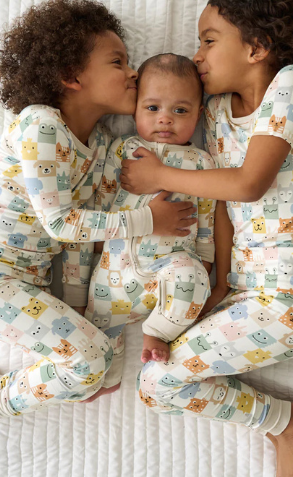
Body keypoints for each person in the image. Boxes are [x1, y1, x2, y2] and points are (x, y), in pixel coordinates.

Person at [0, 0, 196, 427]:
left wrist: (83, 313)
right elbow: (62, 223)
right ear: (71, 76)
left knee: (97, 376)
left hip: (32, 283)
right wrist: (148, 221)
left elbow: (82, 246)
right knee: (91, 364)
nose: (133, 73)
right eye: (118, 62)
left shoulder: (102, 145)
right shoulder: (41, 125)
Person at [120, 0, 293, 477]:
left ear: (256, 47)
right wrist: (221, 282)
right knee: (155, 384)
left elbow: (248, 184)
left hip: (287, 299)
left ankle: (290, 425)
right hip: (241, 291)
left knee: (157, 382)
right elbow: (221, 206)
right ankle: (286, 422)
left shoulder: (291, 83)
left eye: (209, 40)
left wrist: (159, 175)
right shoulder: (214, 111)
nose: (197, 55)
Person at [88, 53, 216, 390]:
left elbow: (206, 218)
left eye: (180, 110)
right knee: (99, 338)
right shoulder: (123, 149)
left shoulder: (201, 162)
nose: (165, 119)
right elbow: (101, 199)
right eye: (153, 107)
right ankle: (106, 379)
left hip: (170, 270)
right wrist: (96, 248)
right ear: (135, 110)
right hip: (114, 272)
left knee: (193, 279)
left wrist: (204, 261)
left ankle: (158, 331)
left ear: (198, 114)